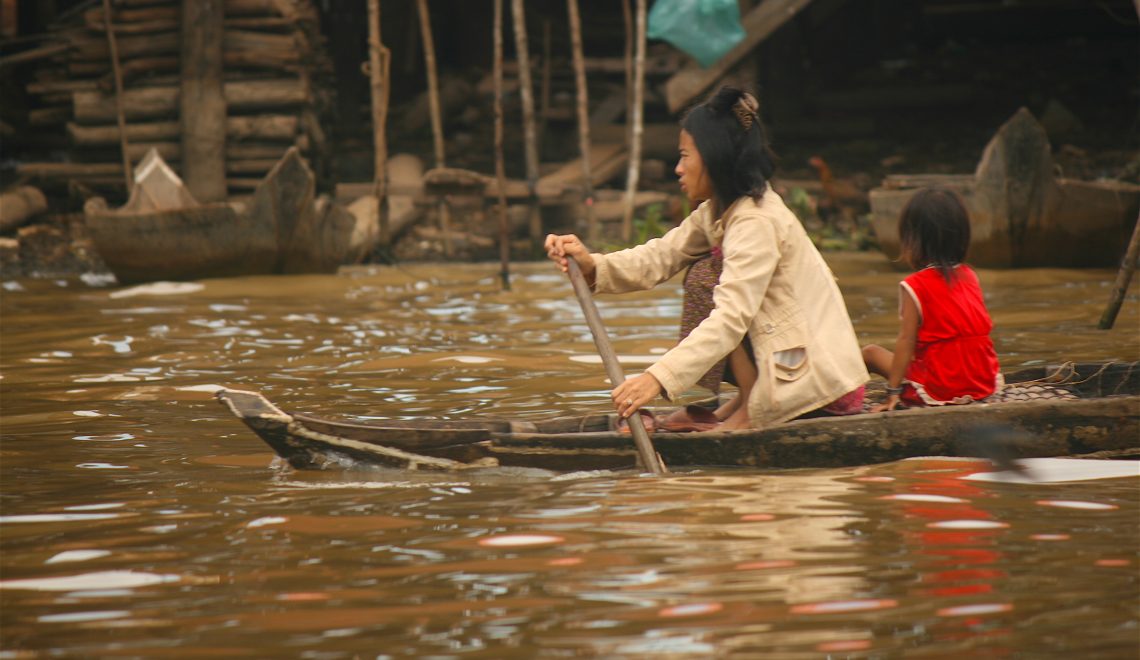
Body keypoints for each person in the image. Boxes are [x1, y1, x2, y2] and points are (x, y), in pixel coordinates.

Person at [545, 86, 868, 430]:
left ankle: (751, 401)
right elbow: (659, 257)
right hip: (788, 364)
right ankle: (748, 397)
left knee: (708, 278)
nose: (678, 169)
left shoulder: (756, 221)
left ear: (714, 157)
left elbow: (729, 319)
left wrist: (656, 378)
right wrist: (593, 263)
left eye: (685, 156)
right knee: (702, 273)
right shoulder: (718, 212)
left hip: (819, 383)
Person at [861, 187, 1002, 411]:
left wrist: (893, 393)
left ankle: (844, 400)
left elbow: (906, 341)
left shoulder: (914, 285)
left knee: (869, 353)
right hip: (983, 382)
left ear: (912, 240)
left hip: (940, 387)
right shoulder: (970, 276)